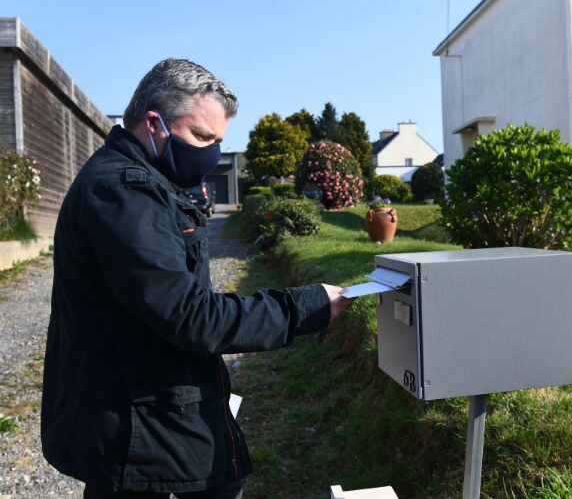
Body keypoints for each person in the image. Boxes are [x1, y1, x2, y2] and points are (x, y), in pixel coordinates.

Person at [41, 58, 353, 499]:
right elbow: (191, 315)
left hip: (150, 410)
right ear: (154, 124)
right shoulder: (123, 192)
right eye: (203, 137)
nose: (211, 154)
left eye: (219, 141)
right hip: (139, 426)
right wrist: (303, 307)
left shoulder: (145, 181)